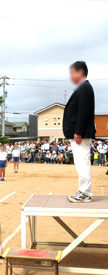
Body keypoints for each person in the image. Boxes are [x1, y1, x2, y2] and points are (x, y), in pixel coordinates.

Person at [63, 61, 95, 203]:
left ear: (80, 72)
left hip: (80, 134)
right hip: (79, 133)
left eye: (72, 72)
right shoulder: (83, 88)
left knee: (82, 162)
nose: (71, 76)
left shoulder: (84, 88)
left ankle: (85, 192)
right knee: (80, 162)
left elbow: (83, 111)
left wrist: (78, 131)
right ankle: (83, 190)